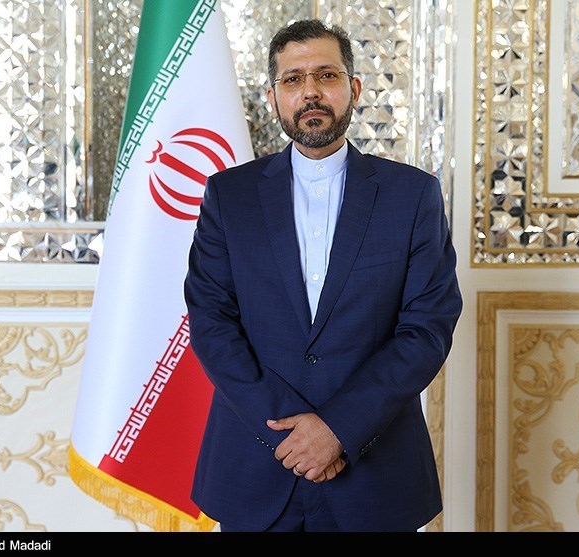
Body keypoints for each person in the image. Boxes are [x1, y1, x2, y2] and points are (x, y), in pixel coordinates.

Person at [184, 18, 462, 532]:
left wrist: (338, 429)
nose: (310, 91)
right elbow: (211, 322)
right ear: (273, 99)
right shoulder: (229, 196)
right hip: (255, 467)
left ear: (353, 89)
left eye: (326, 75)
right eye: (293, 79)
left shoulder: (412, 195)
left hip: (375, 476)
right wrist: (293, 436)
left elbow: (427, 328)